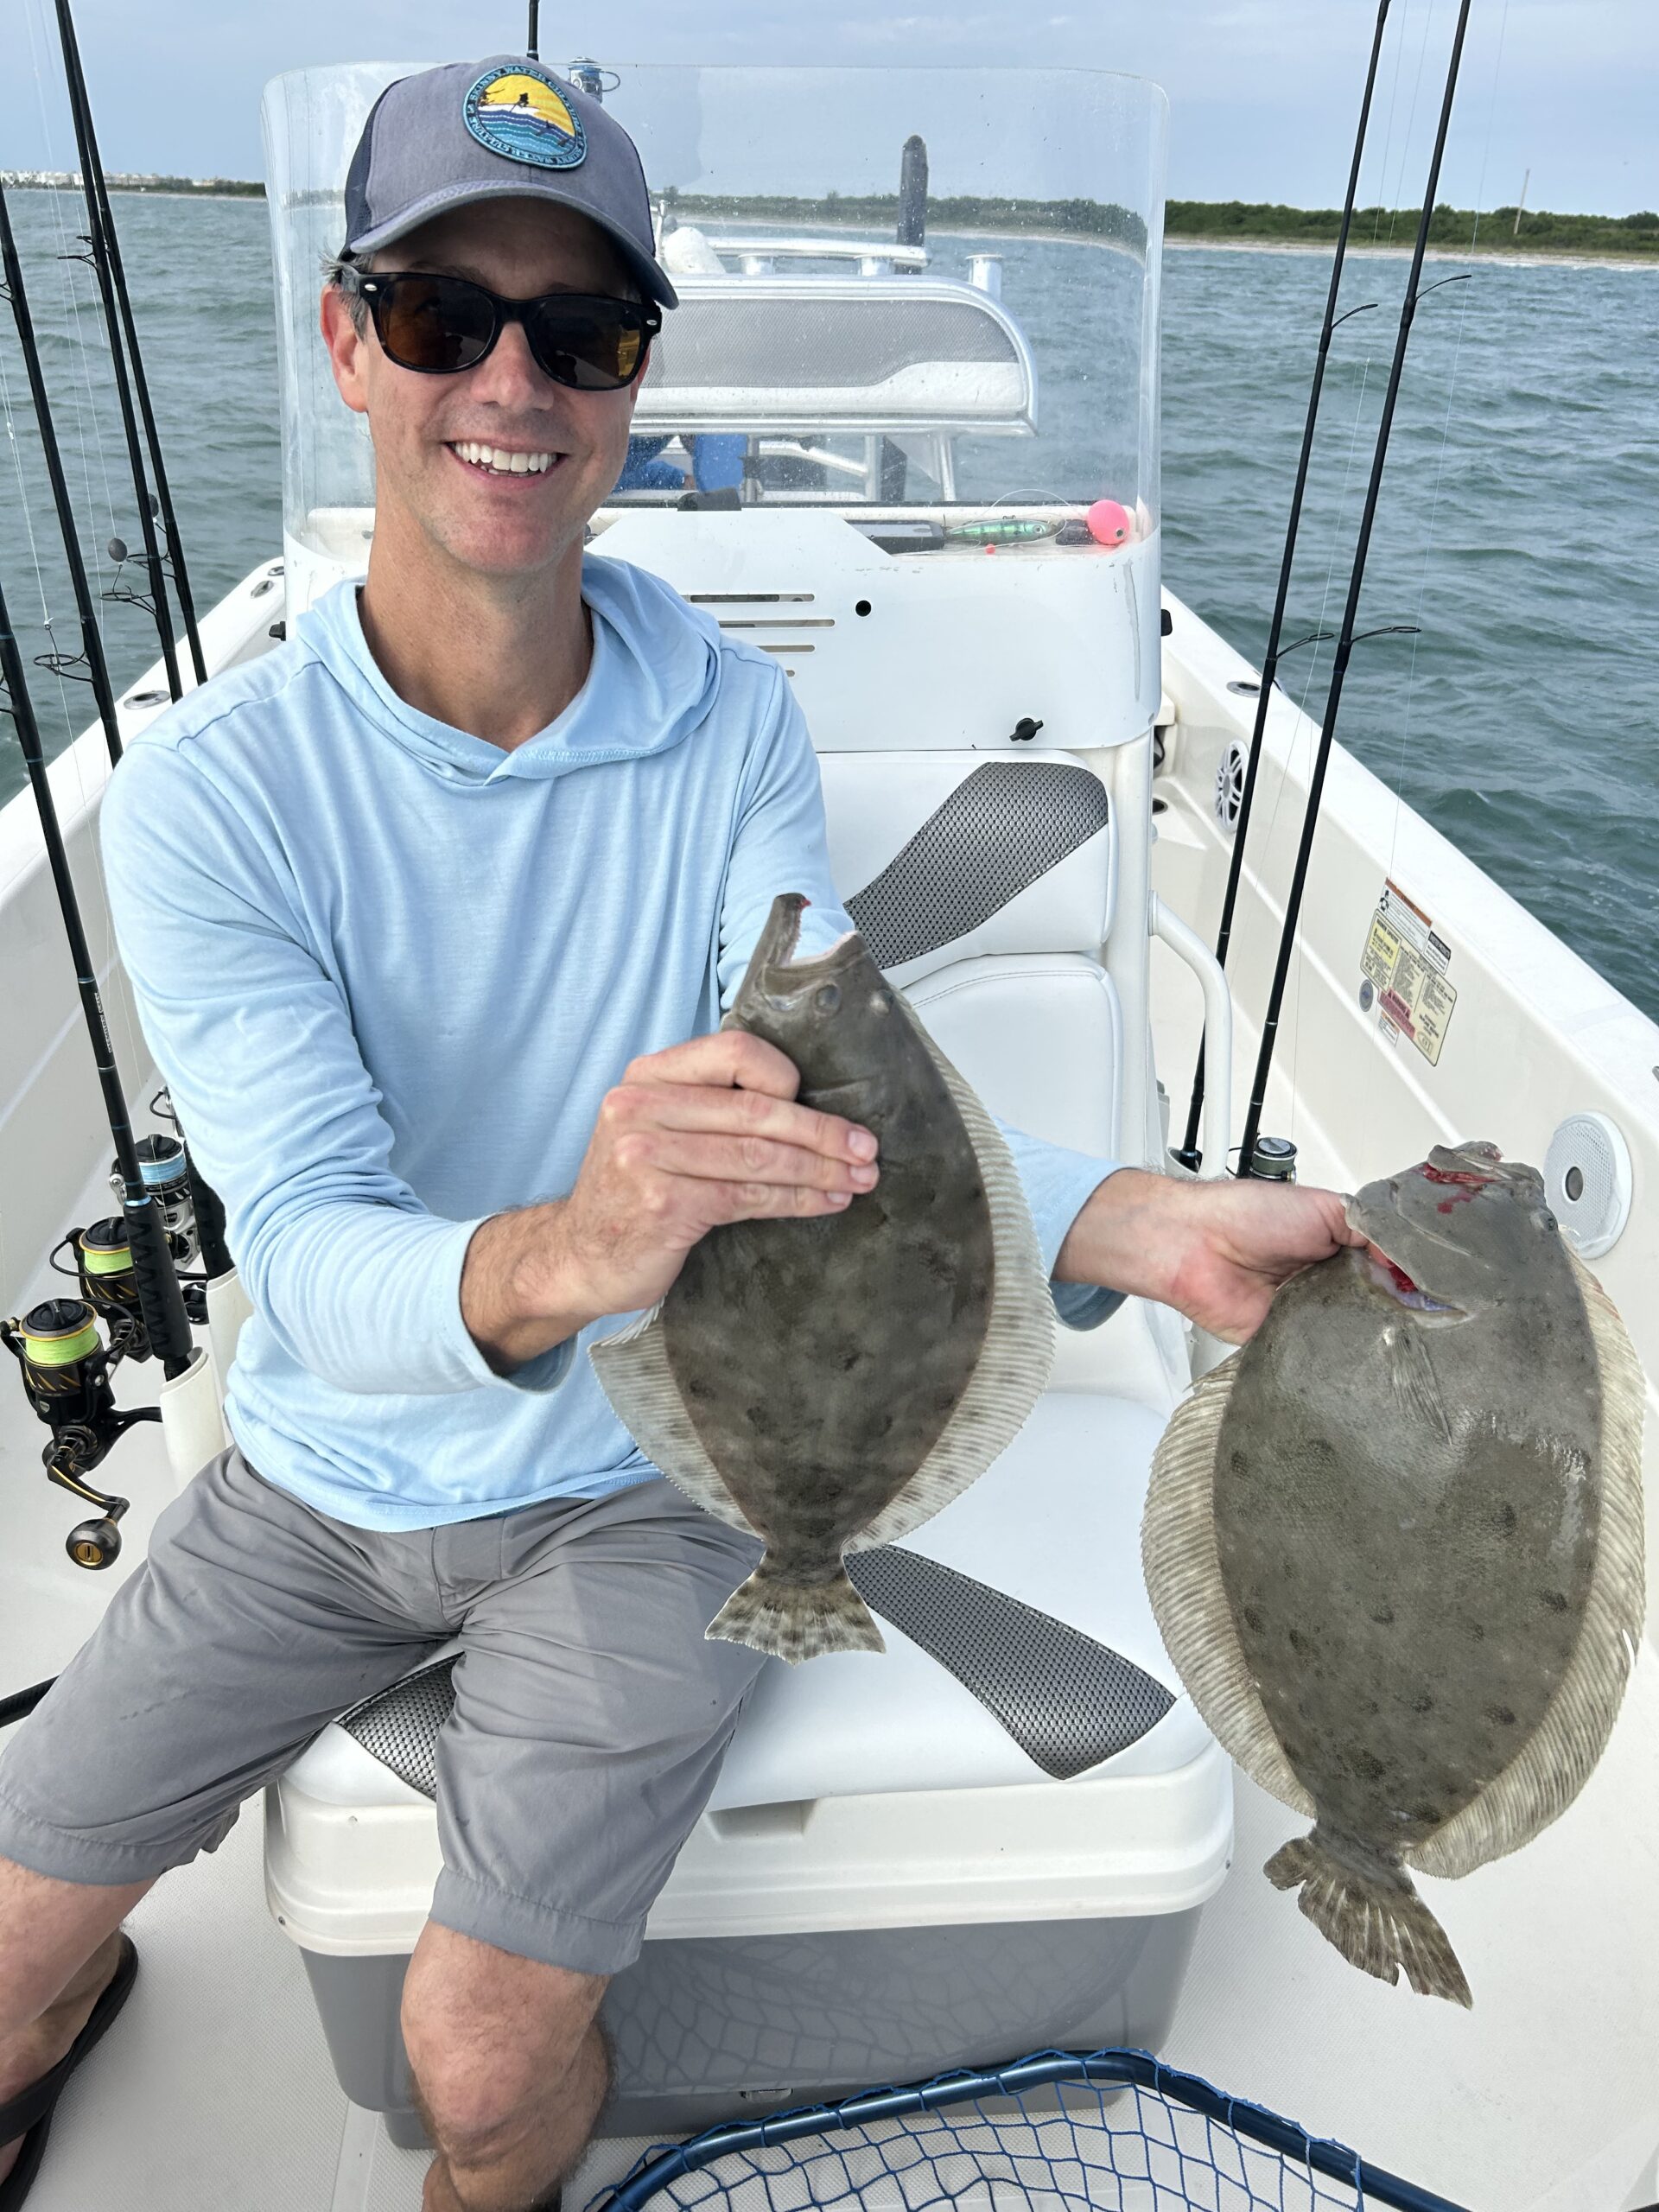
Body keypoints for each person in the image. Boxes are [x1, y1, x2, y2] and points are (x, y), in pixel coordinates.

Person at [0, 54, 1363, 2212]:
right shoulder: (212, 794)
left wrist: (1139, 1218)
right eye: (449, 315)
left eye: (585, 328)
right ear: (349, 340)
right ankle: (57, 2016)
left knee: (478, 2041)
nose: (514, 381)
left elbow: (838, 1094)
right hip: (327, 1475)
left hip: (658, 1474)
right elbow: (323, 1254)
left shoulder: (723, 713)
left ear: (633, 378)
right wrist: (574, 1238)